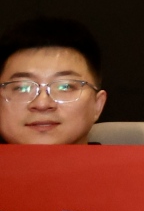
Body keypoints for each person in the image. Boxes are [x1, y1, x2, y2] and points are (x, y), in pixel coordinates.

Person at [0, 17, 107, 145]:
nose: (42, 104)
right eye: (22, 88)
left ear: (98, 105)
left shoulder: (125, 159)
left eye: (65, 86)